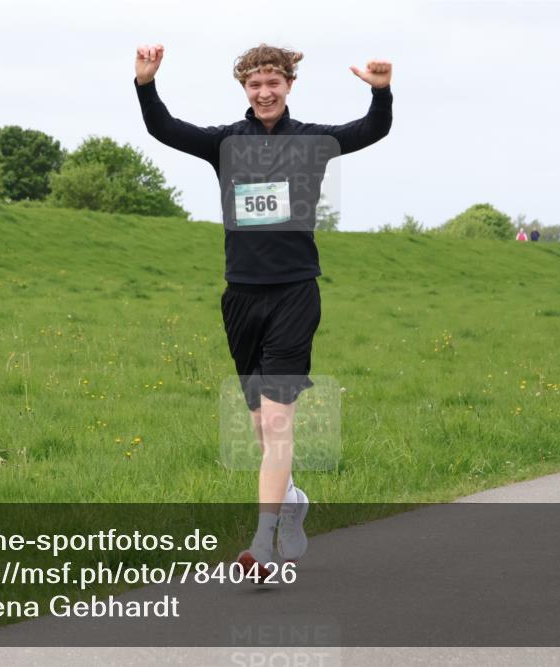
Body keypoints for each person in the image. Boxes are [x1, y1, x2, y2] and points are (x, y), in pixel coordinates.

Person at [134, 42, 393, 579]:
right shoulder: (226, 144)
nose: (264, 91)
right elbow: (165, 129)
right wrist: (146, 84)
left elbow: (372, 131)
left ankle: (262, 544)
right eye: (254, 84)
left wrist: (381, 92)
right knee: (261, 429)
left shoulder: (312, 142)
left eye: (273, 82)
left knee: (277, 422)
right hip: (241, 297)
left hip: (295, 292)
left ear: (289, 85)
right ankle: (292, 498)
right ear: (244, 90)